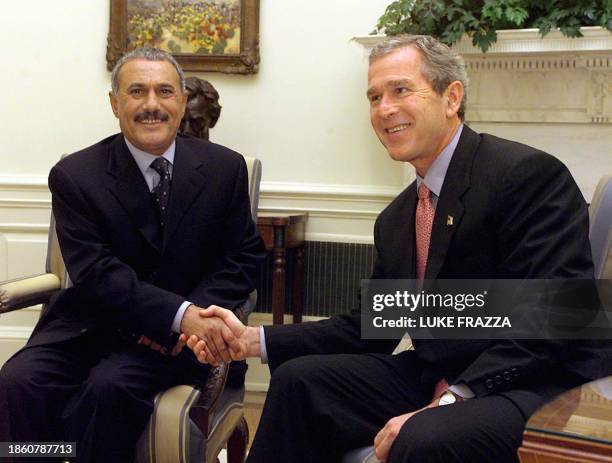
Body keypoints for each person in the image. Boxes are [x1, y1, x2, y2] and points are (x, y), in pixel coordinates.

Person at [186, 35, 610, 463]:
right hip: (441, 370)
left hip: (538, 385)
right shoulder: (398, 217)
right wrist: (250, 339)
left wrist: (449, 400)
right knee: (301, 381)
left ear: (452, 97)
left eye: (400, 90)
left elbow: (551, 322)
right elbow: (369, 327)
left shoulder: (525, 175)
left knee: (423, 437)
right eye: (374, 96)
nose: (384, 109)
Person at [0, 47, 265, 462]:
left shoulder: (224, 168)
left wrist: (194, 319)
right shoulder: (76, 176)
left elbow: (244, 256)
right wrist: (183, 313)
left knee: (109, 389)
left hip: (175, 343)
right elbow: (97, 273)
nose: (151, 105)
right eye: (137, 92)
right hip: (90, 325)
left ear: (181, 101)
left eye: (164, 91)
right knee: (18, 381)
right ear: (114, 103)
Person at [179, 76, 222, 140]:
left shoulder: (220, 150)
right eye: (180, 122)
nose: (186, 131)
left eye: (196, 123)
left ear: (213, 120)